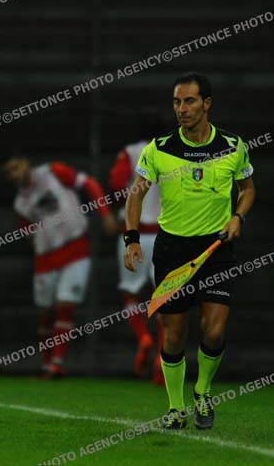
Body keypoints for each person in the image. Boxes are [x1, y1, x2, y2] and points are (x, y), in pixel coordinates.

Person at [123, 72, 256, 430]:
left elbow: (248, 188)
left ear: (207, 103)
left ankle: (203, 391)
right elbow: (136, 192)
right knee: (173, 333)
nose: (181, 109)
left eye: (189, 101)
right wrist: (131, 238)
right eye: (177, 102)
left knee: (213, 330)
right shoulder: (160, 148)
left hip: (216, 249)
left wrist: (238, 216)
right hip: (172, 251)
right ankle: (174, 407)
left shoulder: (233, 145)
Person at [1, 153, 118, 378]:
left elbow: (89, 183)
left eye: (15, 167)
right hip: (45, 259)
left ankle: (57, 363)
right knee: (45, 313)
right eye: (9, 172)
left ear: (26, 162)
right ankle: (46, 365)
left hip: (76, 248)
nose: (14, 174)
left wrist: (105, 214)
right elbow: (29, 234)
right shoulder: (20, 204)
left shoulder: (53, 172)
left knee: (66, 305)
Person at [109, 125, 166, 384]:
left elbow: (116, 184)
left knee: (130, 293)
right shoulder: (172, 152)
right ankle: (161, 360)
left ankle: (143, 337)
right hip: (164, 234)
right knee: (164, 298)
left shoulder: (130, 153)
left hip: (134, 233)